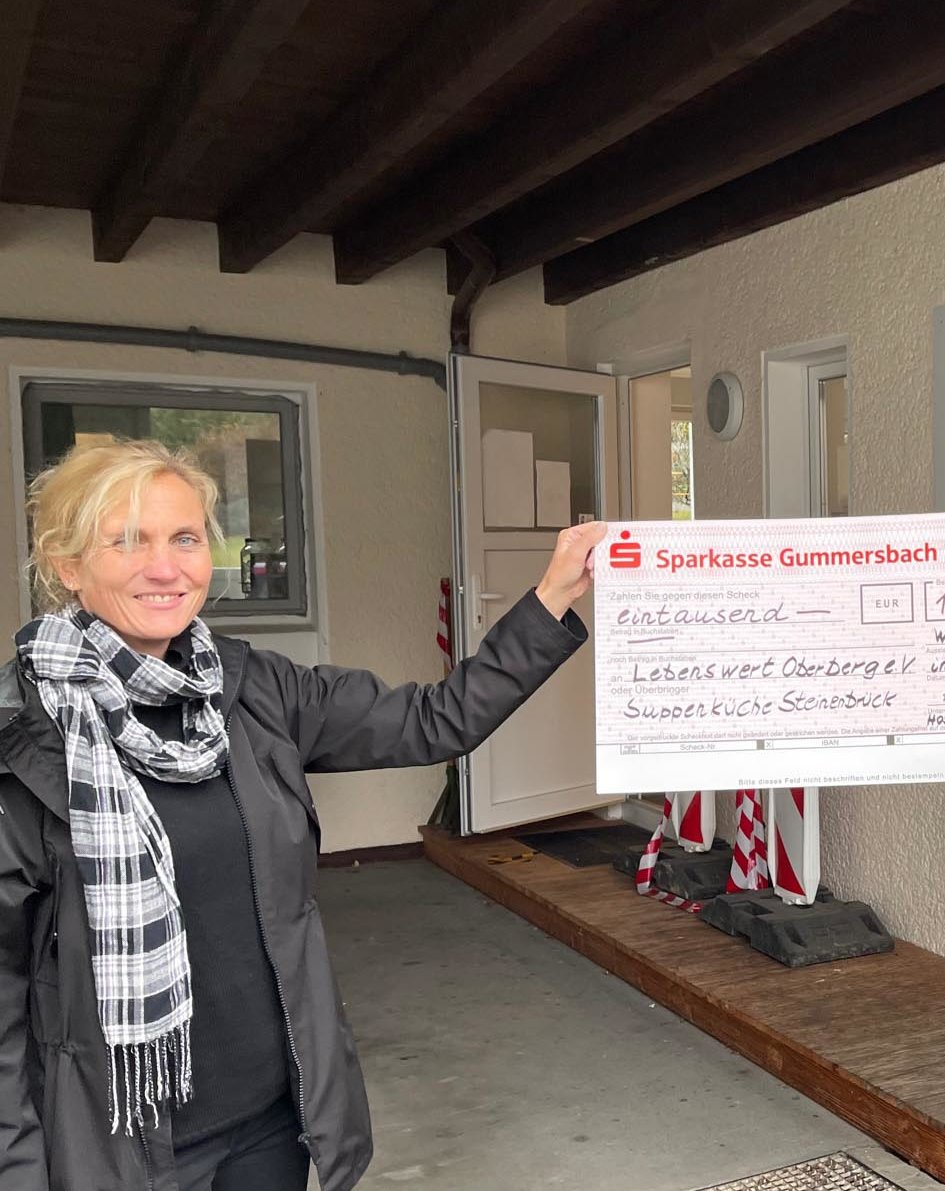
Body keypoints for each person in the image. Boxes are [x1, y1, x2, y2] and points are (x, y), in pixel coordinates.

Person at [0, 439, 604, 1191]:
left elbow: (434, 720)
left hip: (268, 1125)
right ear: (66, 565)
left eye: (185, 538)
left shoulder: (253, 689)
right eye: (126, 541)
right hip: (117, 1148)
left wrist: (551, 597)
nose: (164, 567)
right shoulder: (23, 739)